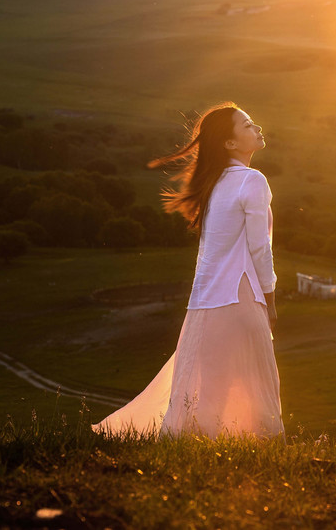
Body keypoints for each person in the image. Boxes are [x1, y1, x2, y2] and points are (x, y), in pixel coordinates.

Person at [92, 102, 284, 440]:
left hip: (206, 300)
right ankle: (247, 450)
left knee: (209, 383)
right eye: (248, 125)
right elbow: (259, 248)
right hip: (240, 295)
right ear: (230, 143)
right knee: (252, 382)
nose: (258, 129)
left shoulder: (214, 183)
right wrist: (269, 298)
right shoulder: (252, 181)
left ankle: (199, 445)